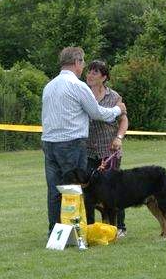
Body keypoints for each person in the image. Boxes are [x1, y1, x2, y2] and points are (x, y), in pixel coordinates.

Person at [41, 47, 126, 235]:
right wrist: (118, 110)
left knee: (54, 190)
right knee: (74, 189)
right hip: (71, 143)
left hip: (48, 143)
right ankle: (76, 232)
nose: (84, 67)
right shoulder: (77, 86)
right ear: (77, 62)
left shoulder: (49, 86)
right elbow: (97, 113)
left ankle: (55, 232)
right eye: (83, 62)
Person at [86, 60, 129, 238]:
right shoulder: (82, 93)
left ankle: (119, 227)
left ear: (104, 77)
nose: (90, 75)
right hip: (87, 150)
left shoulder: (114, 97)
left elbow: (124, 120)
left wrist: (119, 137)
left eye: (95, 73)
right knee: (90, 191)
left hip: (109, 151)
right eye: (89, 71)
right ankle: (91, 227)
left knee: (113, 191)